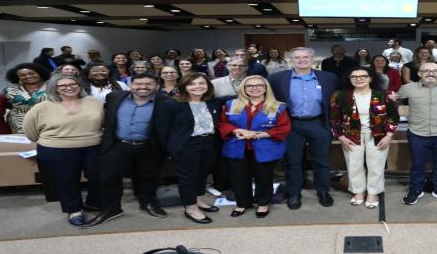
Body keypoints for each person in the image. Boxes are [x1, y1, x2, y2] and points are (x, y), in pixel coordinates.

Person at [82, 73, 169, 227]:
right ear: (130, 85)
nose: (143, 87)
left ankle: (148, 203)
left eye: (149, 84)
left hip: (148, 146)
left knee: (148, 176)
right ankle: (112, 209)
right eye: (138, 84)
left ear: (156, 86)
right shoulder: (114, 97)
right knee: (109, 178)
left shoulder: (166, 102)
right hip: (117, 144)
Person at [23, 74, 103, 226]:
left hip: (93, 147)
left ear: (79, 86)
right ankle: (74, 210)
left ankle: (94, 203)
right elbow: (30, 130)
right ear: (55, 89)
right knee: (66, 181)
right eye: (63, 85)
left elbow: (104, 122)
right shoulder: (42, 107)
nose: (69, 87)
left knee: (98, 177)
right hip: (57, 150)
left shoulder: (93, 102)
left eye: (73, 84)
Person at [268, 47, 338, 209]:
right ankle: (294, 192)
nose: (301, 60)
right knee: (292, 160)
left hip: (319, 123)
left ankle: (323, 191)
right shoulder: (277, 78)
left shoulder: (328, 77)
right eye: (297, 57)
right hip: (290, 124)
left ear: (312, 59)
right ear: (291, 60)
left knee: (322, 160)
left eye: (305, 57)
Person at [219, 76, 291, 218]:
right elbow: (223, 123)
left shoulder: (278, 107)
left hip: (266, 148)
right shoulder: (231, 104)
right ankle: (242, 204)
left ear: (266, 88)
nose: (255, 88)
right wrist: (239, 130)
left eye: (259, 85)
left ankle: (263, 203)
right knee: (239, 177)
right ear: (243, 88)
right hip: (237, 147)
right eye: (250, 86)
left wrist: (257, 135)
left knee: (264, 177)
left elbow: (283, 128)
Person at [157, 72, 224, 224]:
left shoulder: (213, 102)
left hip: (208, 143)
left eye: (201, 83)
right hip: (185, 145)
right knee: (188, 177)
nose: (197, 87)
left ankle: (199, 200)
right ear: (184, 87)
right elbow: (162, 130)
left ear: (208, 86)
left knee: (202, 174)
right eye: (192, 84)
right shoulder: (172, 104)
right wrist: (168, 149)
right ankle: (190, 208)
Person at [330, 67, 399, 209]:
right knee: (354, 165)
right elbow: (334, 118)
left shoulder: (383, 95)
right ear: (349, 79)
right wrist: (341, 137)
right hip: (351, 136)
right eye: (354, 76)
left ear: (370, 78)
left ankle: (373, 193)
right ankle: (358, 192)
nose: (358, 79)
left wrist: (388, 136)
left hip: (378, 136)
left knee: (376, 165)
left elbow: (393, 116)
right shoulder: (340, 95)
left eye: (363, 76)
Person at [397, 62, 437, 206]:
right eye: (426, 71)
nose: (431, 73)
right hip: (417, 132)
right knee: (417, 164)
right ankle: (416, 189)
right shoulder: (407, 88)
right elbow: (395, 103)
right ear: (419, 74)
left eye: (435, 71)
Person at [2, 63, 50, 133]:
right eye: (22, 75)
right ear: (17, 77)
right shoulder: (10, 90)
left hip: (48, 124)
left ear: (39, 73)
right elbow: (2, 105)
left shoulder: (53, 87)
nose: (28, 76)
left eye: (32, 73)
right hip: (19, 126)